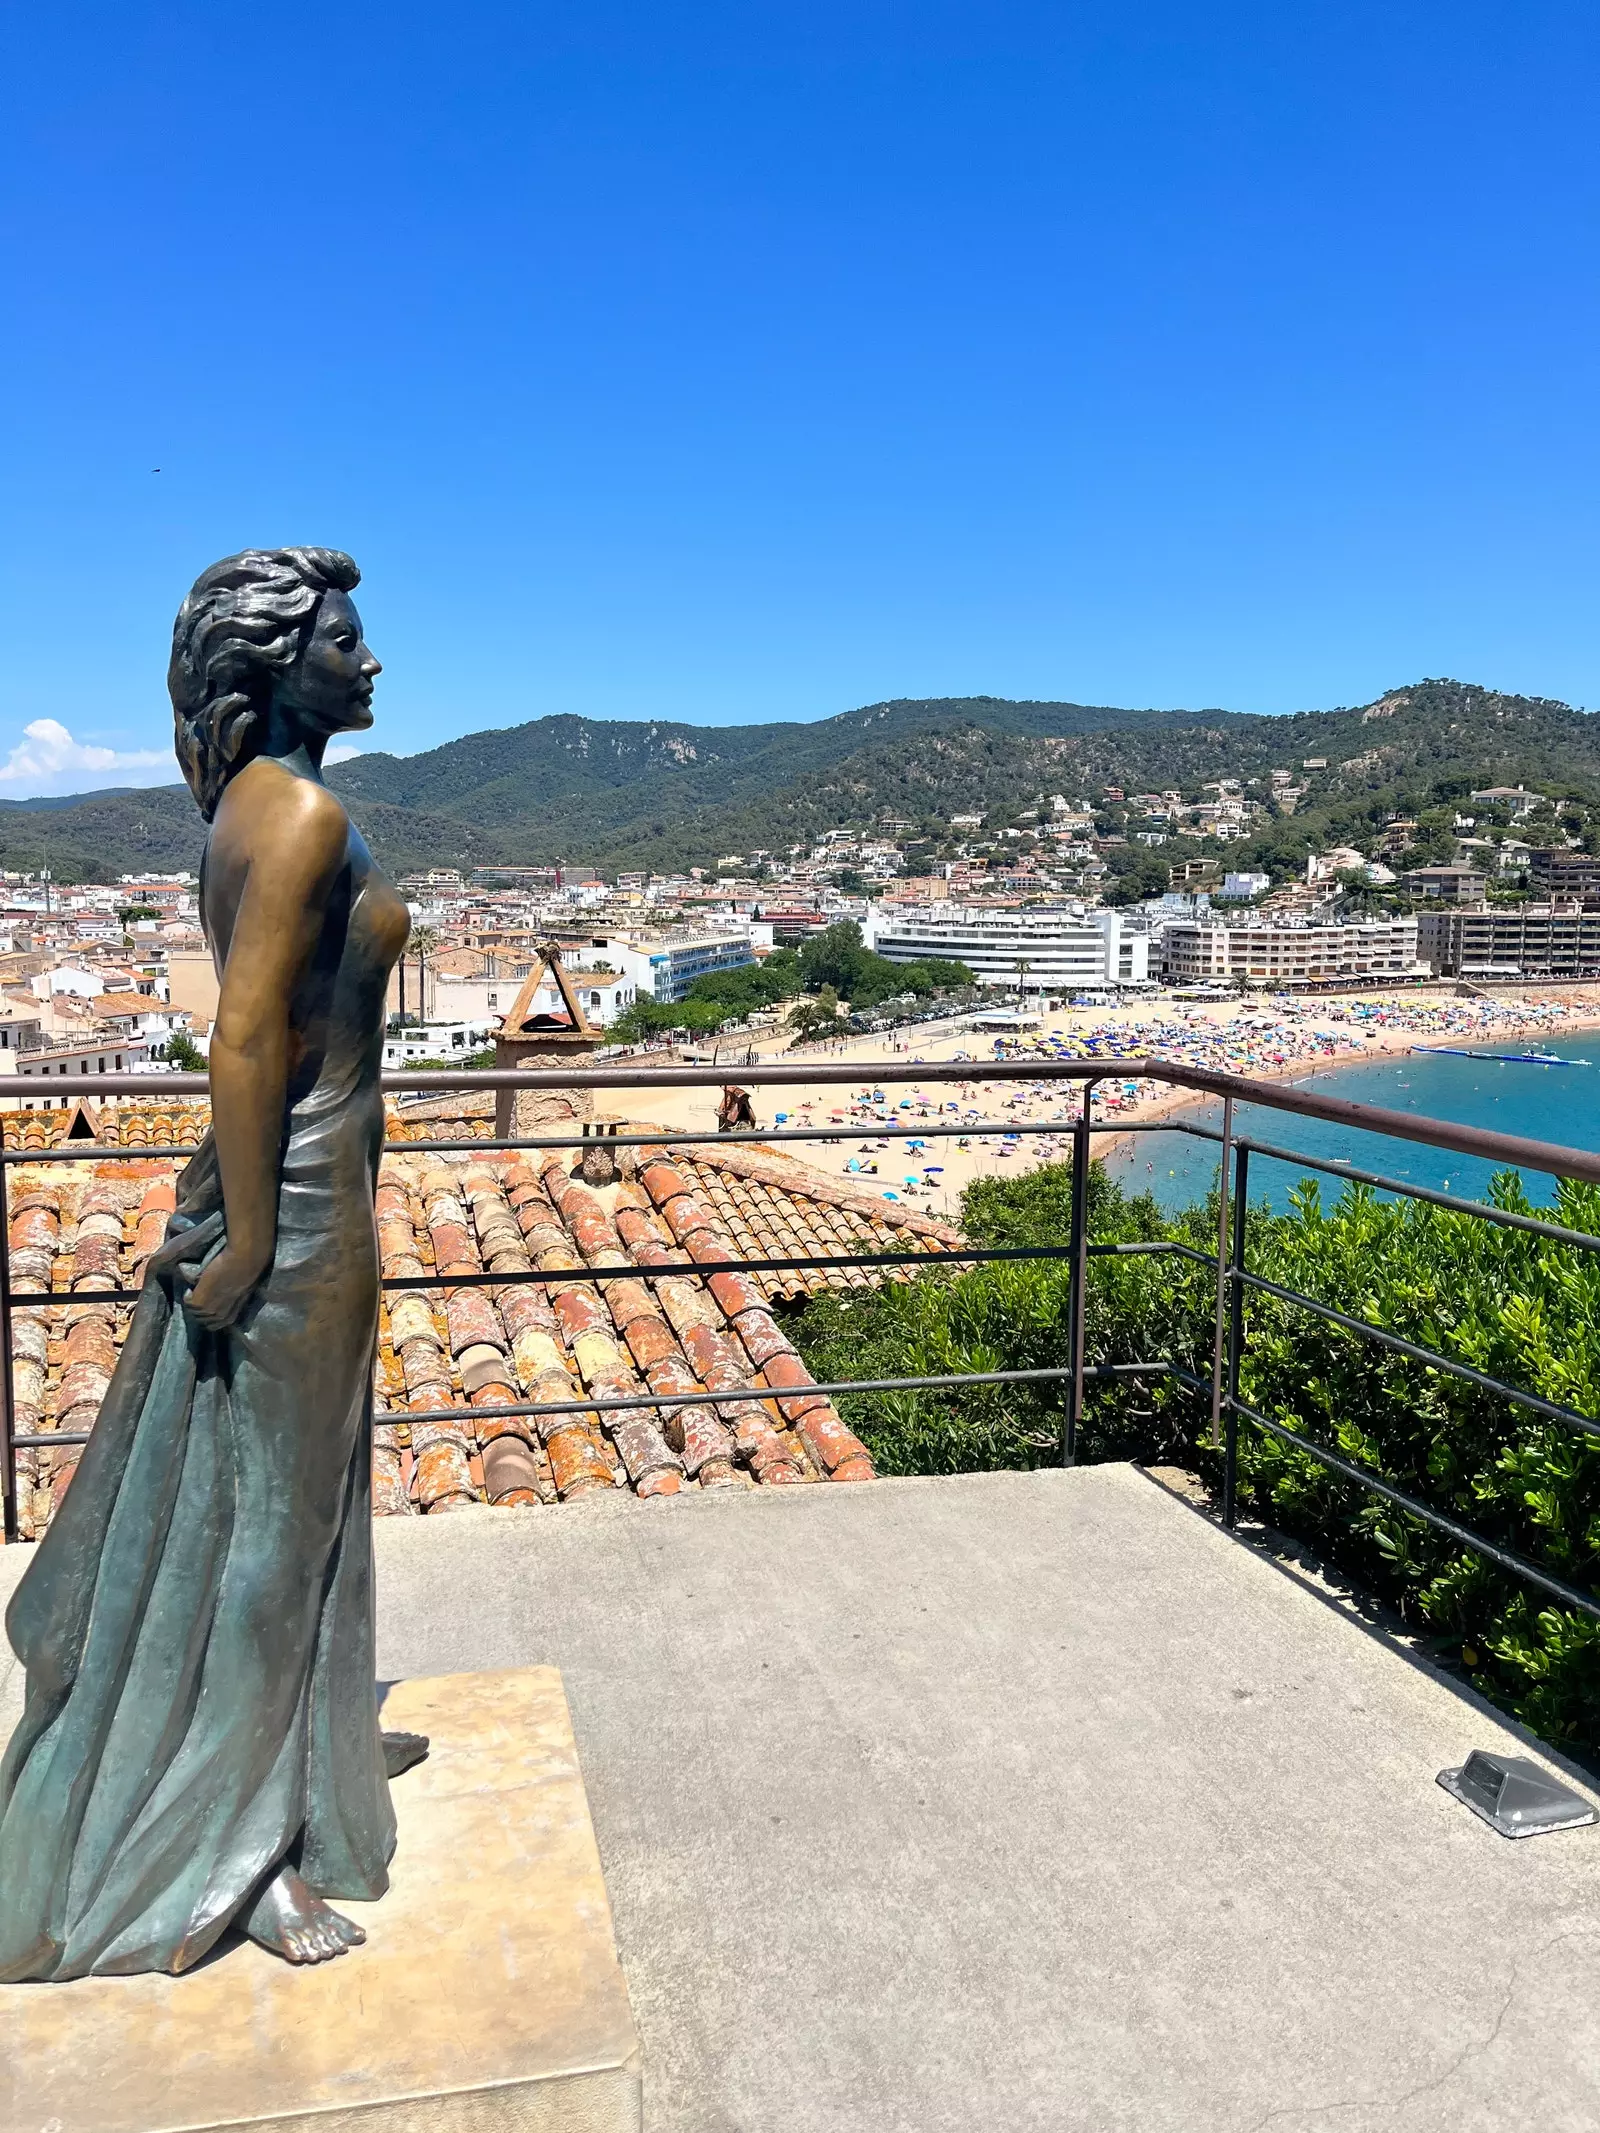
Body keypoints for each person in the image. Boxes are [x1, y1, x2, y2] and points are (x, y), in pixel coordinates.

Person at [0, 549, 420, 1980]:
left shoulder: (237, 811)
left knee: (285, 1512)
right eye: (347, 643)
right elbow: (245, 1038)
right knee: (277, 1530)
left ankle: (307, 1770)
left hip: (294, 1182)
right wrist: (253, 1239)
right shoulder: (299, 812)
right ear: (275, 665)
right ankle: (236, 1857)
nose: (371, 665)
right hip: (300, 1202)